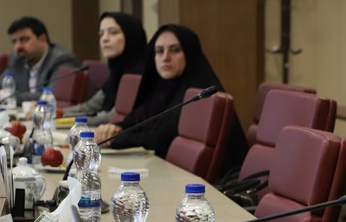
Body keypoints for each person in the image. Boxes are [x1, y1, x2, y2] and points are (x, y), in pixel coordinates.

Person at [94, 24, 248, 178]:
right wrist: (115, 128)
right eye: (159, 51)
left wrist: (116, 139)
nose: (165, 57)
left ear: (189, 53)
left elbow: (161, 138)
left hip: (212, 185)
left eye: (175, 50)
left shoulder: (201, 94)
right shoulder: (159, 89)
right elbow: (138, 119)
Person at [0, 16, 80, 107]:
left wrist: (2, 96)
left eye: (24, 39)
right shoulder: (18, 60)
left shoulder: (62, 60)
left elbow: (52, 97)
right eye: (14, 42)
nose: (18, 47)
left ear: (42, 39)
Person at [62, 11, 147, 125]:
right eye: (101, 34)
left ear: (131, 36)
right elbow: (91, 106)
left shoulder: (139, 74)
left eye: (113, 32)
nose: (104, 39)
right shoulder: (117, 70)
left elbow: (113, 117)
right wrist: (58, 113)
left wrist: (63, 121)